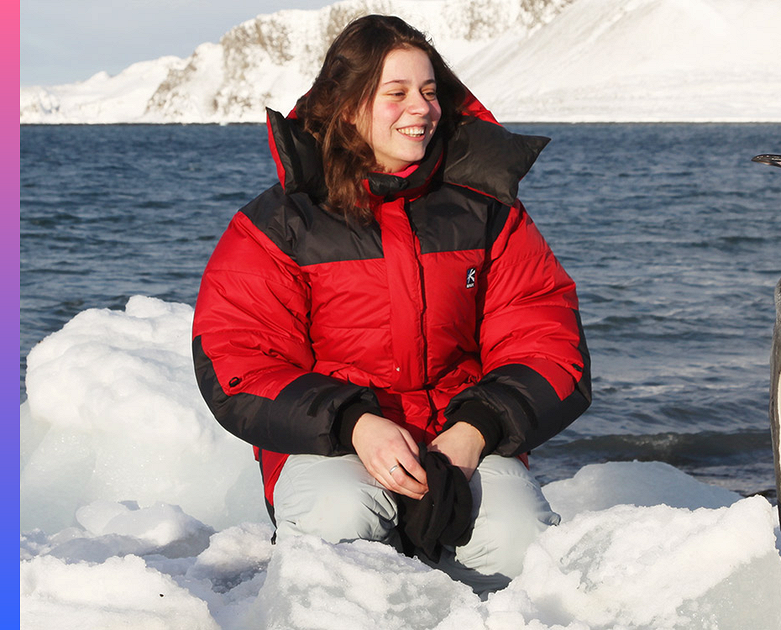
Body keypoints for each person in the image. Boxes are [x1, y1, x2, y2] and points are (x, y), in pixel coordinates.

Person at [191, 14, 590, 595]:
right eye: (396, 93)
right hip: (331, 446)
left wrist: (477, 427)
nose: (421, 109)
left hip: (462, 441)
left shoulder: (489, 213)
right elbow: (237, 358)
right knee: (340, 521)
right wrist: (351, 423)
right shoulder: (279, 224)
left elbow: (548, 338)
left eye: (430, 92)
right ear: (346, 106)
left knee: (520, 544)